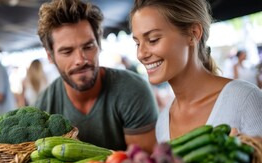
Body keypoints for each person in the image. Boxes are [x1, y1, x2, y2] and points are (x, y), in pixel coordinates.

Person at [130, 0, 262, 142]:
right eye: (137, 43)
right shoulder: (163, 122)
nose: (140, 54)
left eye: (153, 40)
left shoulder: (245, 99)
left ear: (193, 33)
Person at [35, 0, 159, 152]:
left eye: (88, 47)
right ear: (50, 56)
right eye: (67, 51)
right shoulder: (44, 106)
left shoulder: (133, 90)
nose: (81, 60)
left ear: (99, 45)